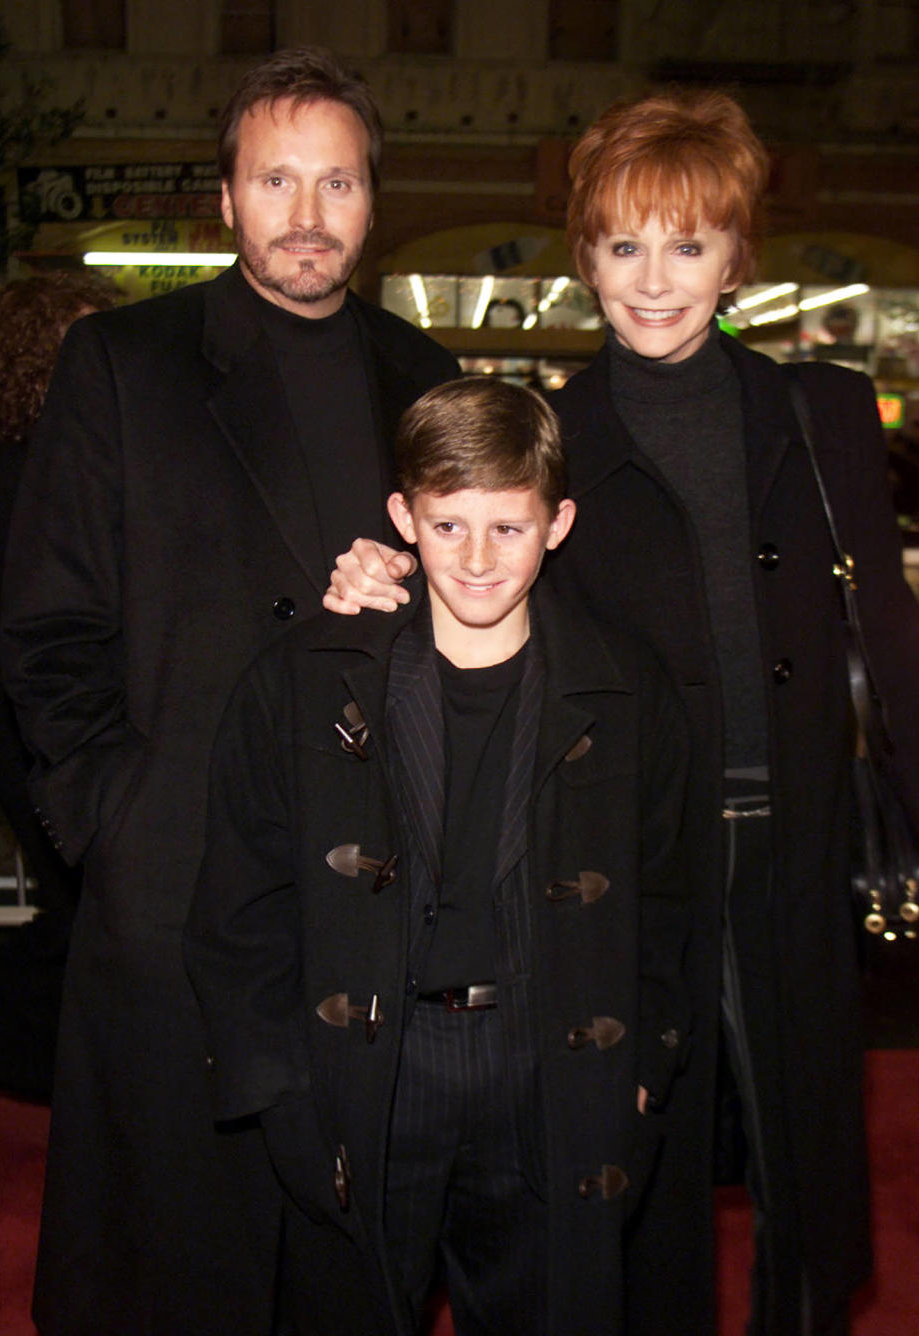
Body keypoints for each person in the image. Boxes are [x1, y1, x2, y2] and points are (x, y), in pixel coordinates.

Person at [323, 91, 919, 1336]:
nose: (656, 280)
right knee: (635, 1168)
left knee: (805, 1167)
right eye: (625, 245)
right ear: (585, 256)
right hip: (629, 864)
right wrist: (372, 583)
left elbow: (893, 643)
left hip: (798, 845)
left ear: (736, 256)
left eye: (689, 245)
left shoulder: (823, 414)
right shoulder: (552, 436)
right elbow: (465, 557)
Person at [0, 46, 459, 1336]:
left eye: (338, 183)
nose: (307, 214)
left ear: (375, 202)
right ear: (227, 199)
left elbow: (497, 609)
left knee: (347, 1262)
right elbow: (48, 630)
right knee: (169, 1261)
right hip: (177, 884)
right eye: (276, 180)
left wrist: (420, 593)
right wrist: (117, 821)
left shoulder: (427, 382)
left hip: (373, 899)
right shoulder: (124, 366)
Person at [184, 376, 691, 1336]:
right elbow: (239, 902)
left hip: (548, 1064)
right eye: (449, 524)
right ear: (401, 518)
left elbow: (671, 892)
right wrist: (282, 1088)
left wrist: (643, 1070)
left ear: (560, 523)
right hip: (372, 1068)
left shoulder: (626, 690)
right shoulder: (304, 682)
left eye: (510, 527)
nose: (479, 558)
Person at [0, 271, 116, 1098]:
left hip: (29, 717)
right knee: (83, 921)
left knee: (80, 917)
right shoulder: (32, 465)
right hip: (32, 724)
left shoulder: (49, 457)